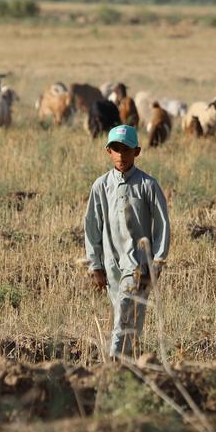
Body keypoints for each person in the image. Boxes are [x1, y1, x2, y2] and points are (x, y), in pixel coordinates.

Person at [84, 124, 170, 358]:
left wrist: (158, 260)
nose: (121, 154)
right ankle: (129, 369)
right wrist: (95, 265)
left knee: (124, 313)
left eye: (126, 149)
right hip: (111, 265)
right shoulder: (101, 186)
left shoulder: (147, 185)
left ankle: (112, 365)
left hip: (138, 265)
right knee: (131, 320)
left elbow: (162, 225)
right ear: (108, 152)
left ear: (137, 152)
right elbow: (92, 227)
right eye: (116, 149)